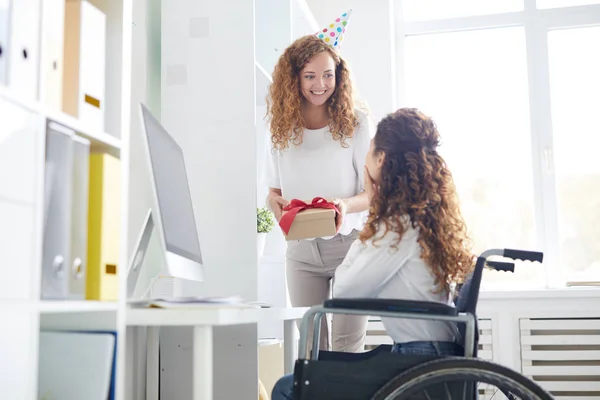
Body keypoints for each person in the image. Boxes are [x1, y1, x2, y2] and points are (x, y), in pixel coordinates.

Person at [271, 108, 475, 400]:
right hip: (429, 354)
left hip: (418, 362)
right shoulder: (419, 216)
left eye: (370, 147)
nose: (366, 155)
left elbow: (343, 291)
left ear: (381, 159)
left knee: (286, 388)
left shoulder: (396, 225)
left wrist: (373, 211)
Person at [264, 10, 373, 353]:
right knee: (312, 349)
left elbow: (372, 193)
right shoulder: (280, 127)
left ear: (339, 76)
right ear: (294, 79)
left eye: (328, 75)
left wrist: (343, 205)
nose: (320, 85)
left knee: (346, 348)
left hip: (349, 247)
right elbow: (274, 191)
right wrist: (274, 204)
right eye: (310, 76)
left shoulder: (356, 122)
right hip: (300, 252)